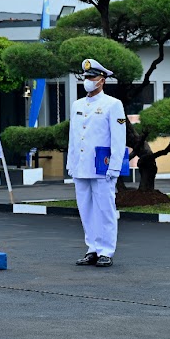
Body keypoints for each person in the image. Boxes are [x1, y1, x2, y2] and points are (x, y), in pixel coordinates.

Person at [67, 59, 127, 268]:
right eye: (86, 77)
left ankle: (106, 251)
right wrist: (70, 163)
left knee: (105, 209)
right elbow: (73, 137)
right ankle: (92, 248)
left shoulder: (113, 104)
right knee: (86, 210)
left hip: (103, 167)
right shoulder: (77, 105)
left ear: (102, 80)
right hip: (81, 167)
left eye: (92, 77)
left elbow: (119, 139)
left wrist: (115, 167)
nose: (87, 81)